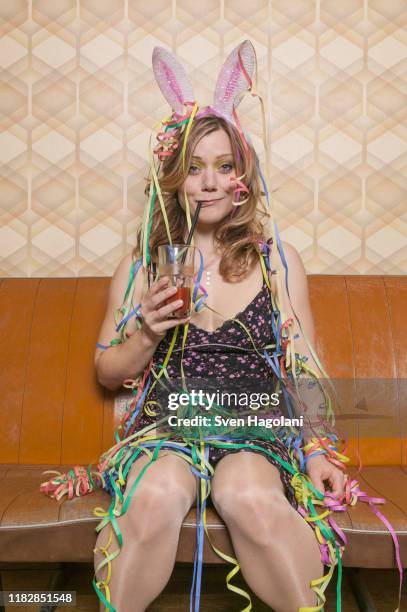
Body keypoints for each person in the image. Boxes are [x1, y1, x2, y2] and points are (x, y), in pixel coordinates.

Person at [40, 41, 400, 612]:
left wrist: (314, 452)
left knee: (249, 494)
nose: (209, 182)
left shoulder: (274, 259)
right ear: (174, 179)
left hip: (254, 425)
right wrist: (150, 331)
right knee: (155, 494)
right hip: (170, 426)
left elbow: (301, 365)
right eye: (194, 168)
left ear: (242, 179)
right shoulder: (143, 265)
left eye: (224, 166)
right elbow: (107, 371)